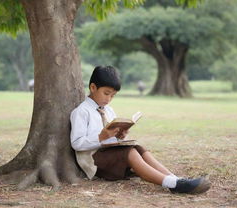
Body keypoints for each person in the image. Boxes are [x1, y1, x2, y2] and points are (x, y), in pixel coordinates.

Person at [70, 66, 210, 194]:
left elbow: (111, 139)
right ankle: (172, 184)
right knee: (129, 152)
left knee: (138, 148)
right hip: (94, 161)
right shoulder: (81, 112)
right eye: (106, 93)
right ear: (93, 87)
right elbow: (76, 143)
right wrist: (100, 137)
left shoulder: (109, 110)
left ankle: (175, 179)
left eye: (113, 95)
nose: (109, 99)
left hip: (109, 153)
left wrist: (119, 135)